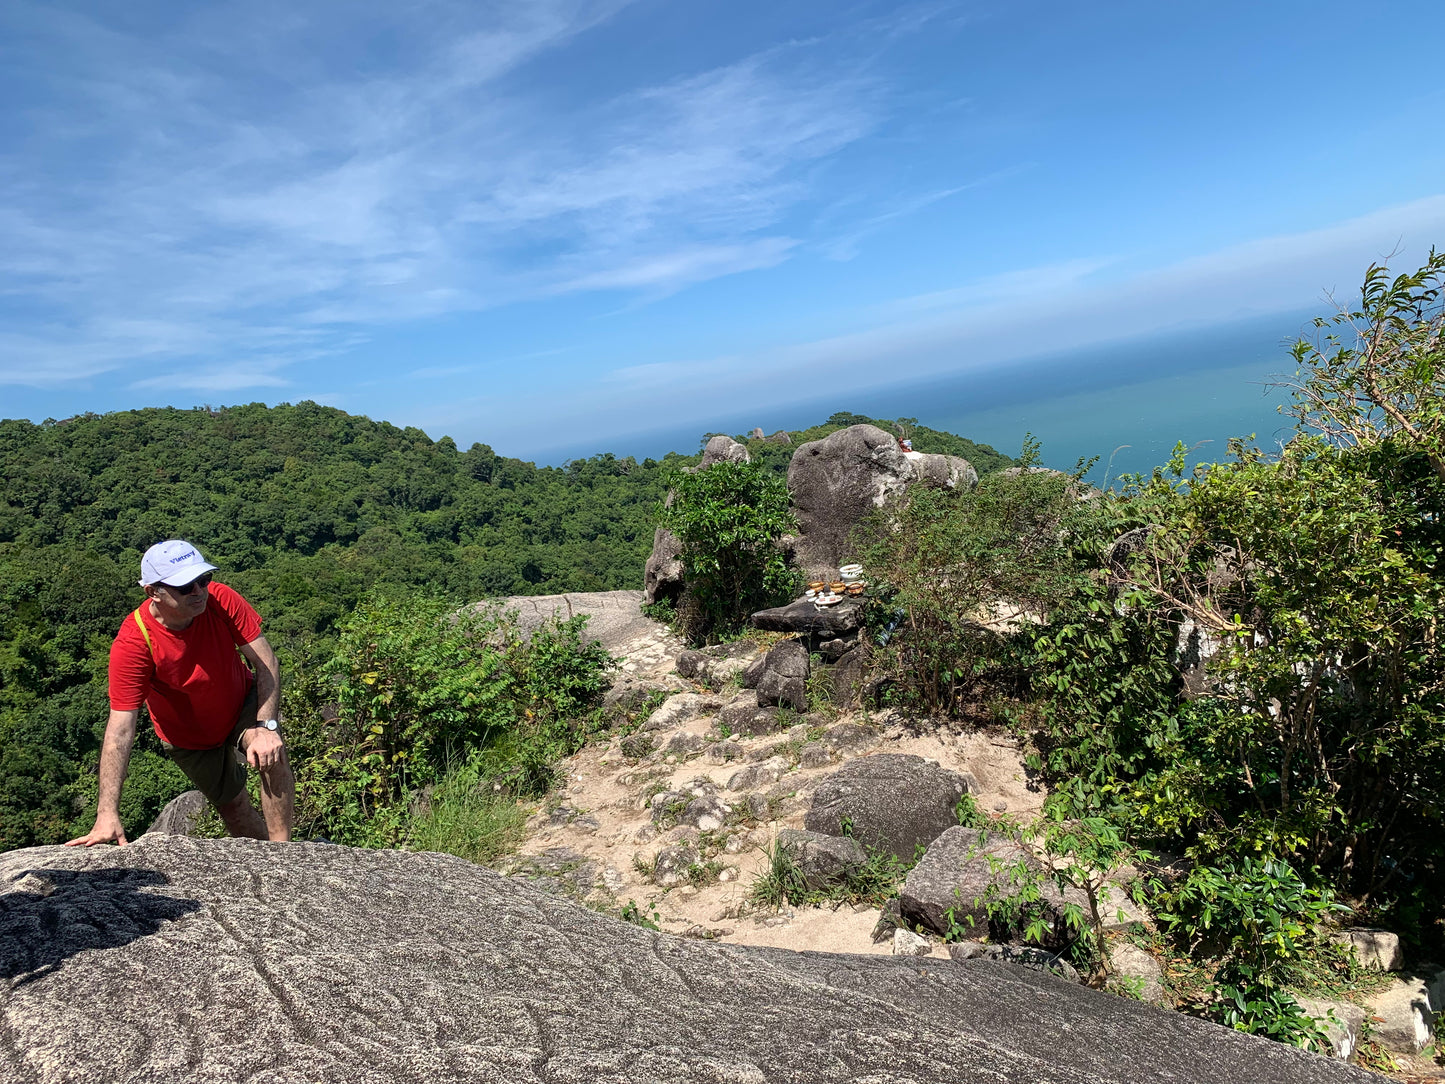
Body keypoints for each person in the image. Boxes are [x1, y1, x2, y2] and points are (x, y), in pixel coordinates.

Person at [67, 539, 295, 846]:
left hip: (239, 701)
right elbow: (120, 730)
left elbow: (265, 661)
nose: (199, 592)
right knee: (233, 807)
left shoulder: (220, 599)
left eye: (203, 580)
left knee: (270, 752)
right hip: (188, 736)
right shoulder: (135, 643)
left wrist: (266, 726)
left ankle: (284, 854)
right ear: (153, 592)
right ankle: (265, 854)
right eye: (185, 586)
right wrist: (107, 812)